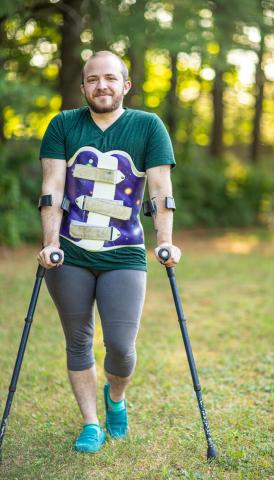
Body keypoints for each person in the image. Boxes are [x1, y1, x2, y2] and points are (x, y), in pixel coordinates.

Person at [37, 50, 181, 453]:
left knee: (121, 345)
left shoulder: (148, 126)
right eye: (93, 79)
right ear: (83, 86)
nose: (102, 85)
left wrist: (164, 241)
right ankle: (90, 423)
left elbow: (160, 191)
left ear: (125, 85)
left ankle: (115, 398)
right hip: (70, 253)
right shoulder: (64, 125)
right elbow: (52, 188)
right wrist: (49, 242)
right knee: (78, 341)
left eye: (110, 78)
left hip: (125, 252)